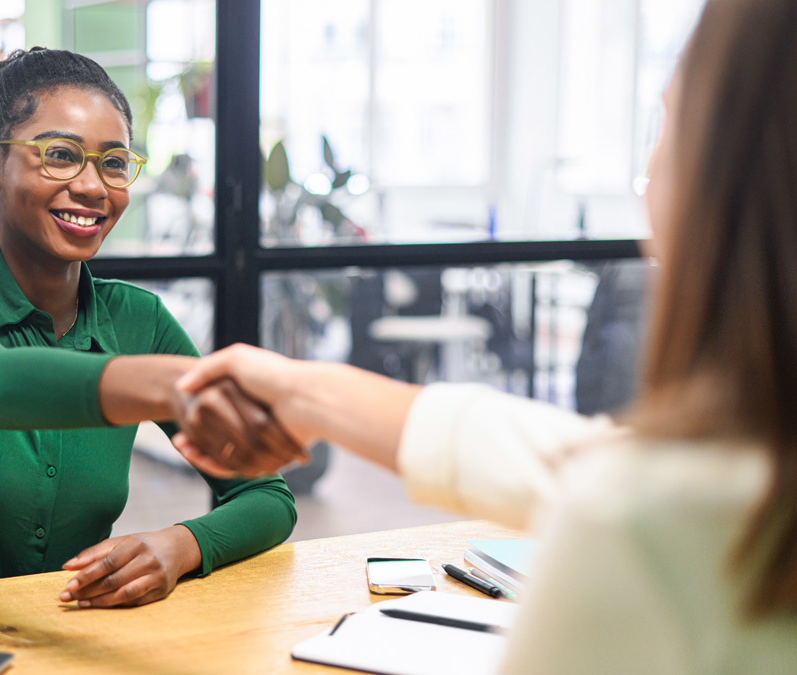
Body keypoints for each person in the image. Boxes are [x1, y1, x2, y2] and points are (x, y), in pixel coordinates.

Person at [175, 0, 797, 671]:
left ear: (731, 181)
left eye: (669, 126)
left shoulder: (642, 528)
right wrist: (310, 392)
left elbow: (625, 492)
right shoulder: (728, 483)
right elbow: (581, 462)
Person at [0, 48, 299, 606]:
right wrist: (168, 384)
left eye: (114, 163)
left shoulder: (139, 321)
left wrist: (182, 544)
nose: (94, 186)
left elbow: (266, 493)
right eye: (61, 155)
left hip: (77, 634)